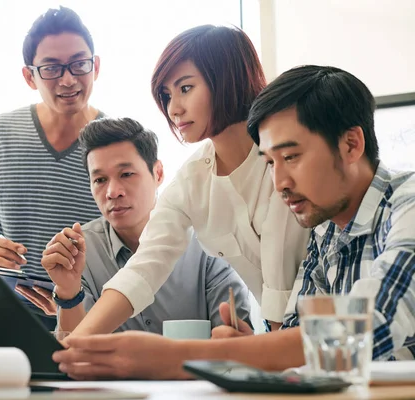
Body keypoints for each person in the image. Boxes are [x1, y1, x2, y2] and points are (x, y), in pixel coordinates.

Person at [51, 65, 415, 380]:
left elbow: (368, 327)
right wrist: (255, 354)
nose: (279, 183)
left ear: (351, 144)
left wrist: (181, 357)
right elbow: (298, 340)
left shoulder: (407, 204)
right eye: (271, 163)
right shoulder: (325, 232)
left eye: (291, 156)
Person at [64, 24, 309, 338]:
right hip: (286, 341)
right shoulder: (192, 180)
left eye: (185, 88)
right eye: (167, 95)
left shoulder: (284, 157)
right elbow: (143, 269)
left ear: (225, 79)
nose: (173, 108)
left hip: (343, 330)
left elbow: (280, 280)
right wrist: (75, 346)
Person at [17, 117, 251, 333]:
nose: (112, 192)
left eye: (127, 174)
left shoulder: (208, 241)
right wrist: (68, 292)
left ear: (158, 173)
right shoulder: (80, 253)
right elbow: (72, 353)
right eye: (99, 180)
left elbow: (236, 343)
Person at [0, 6, 104, 327]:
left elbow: (137, 238)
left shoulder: (116, 143)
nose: (68, 79)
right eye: (52, 68)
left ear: (95, 66)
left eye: (79, 64)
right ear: (30, 76)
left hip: (93, 316)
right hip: (8, 313)